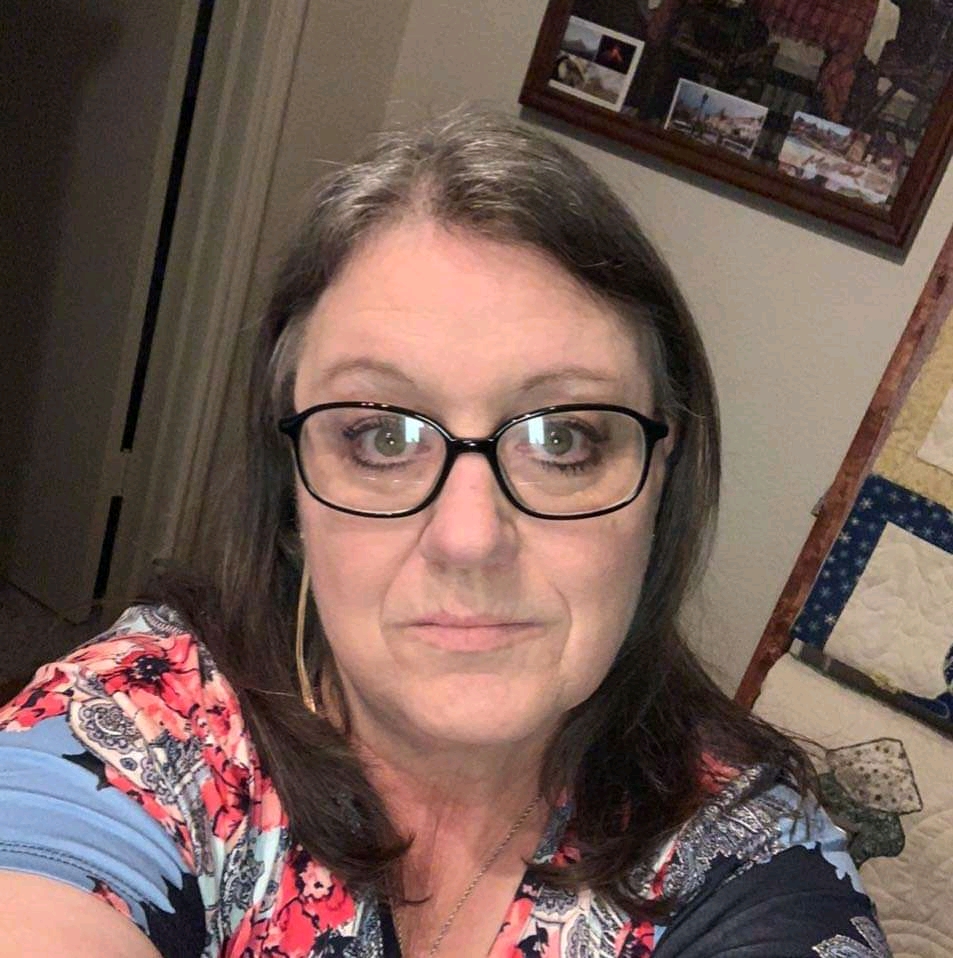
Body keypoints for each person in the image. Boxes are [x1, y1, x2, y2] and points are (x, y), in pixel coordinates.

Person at [0, 111, 889, 957]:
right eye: (380, 437)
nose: (468, 539)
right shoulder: (140, 729)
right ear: (291, 495)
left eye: (563, 439)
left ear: (662, 481)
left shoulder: (745, 852)